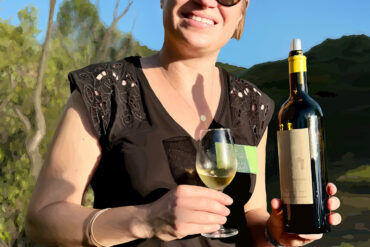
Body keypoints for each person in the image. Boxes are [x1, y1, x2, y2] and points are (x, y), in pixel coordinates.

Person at [25, 0, 342, 246]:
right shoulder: (103, 90)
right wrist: (144, 220)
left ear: (240, 17)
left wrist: (275, 233)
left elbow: (250, 217)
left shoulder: (253, 105)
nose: (206, 1)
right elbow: (42, 219)